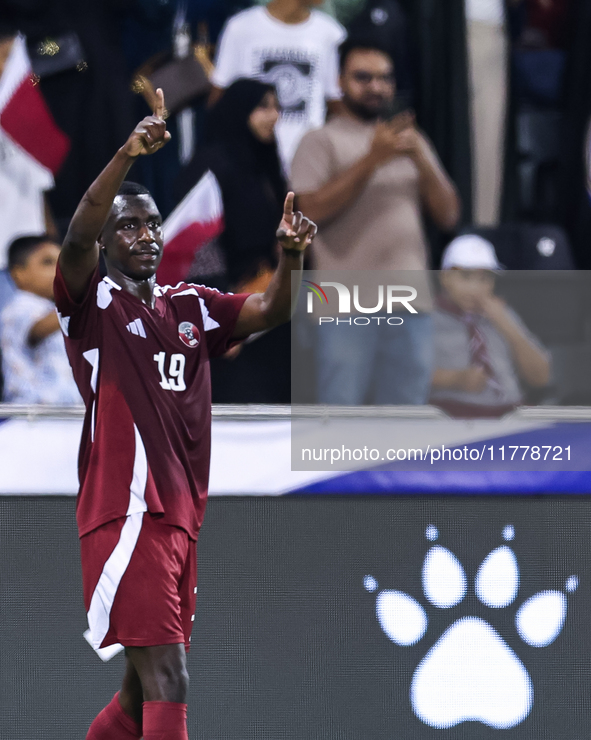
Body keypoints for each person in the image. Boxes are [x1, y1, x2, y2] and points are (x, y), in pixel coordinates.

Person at [53, 89, 316, 740]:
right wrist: (126, 153)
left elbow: (270, 311)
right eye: (128, 226)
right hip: (128, 511)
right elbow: (78, 231)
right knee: (171, 679)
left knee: (142, 697)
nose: (144, 235)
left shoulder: (191, 304)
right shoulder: (91, 306)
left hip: (179, 521)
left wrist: (291, 260)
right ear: (109, 242)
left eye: (150, 223)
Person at [291, 38, 460, 405]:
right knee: (340, 426)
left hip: (412, 304)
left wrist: (421, 157)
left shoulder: (410, 141)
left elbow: (449, 215)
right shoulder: (319, 141)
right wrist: (372, 159)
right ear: (340, 81)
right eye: (363, 77)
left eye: (384, 78)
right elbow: (308, 212)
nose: (376, 87)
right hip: (344, 308)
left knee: (407, 433)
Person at [177, 77, 292, 403]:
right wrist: (225, 318)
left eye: (276, 107)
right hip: (228, 311)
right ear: (238, 111)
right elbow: (197, 243)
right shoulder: (210, 164)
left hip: (270, 305)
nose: (273, 116)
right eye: (262, 107)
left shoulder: (266, 165)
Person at [209, 0, 346, 169]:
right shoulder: (240, 28)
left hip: (307, 163)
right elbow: (218, 101)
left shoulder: (331, 34)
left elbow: (337, 105)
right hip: (250, 163)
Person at [430, 234, 551, 418]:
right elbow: (400, 374)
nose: (475, 288)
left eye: (484, 279)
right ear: (445, 277)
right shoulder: (427, 319)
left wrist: (505, 324)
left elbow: (541, 378)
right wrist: (454, 379)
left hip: (511, 414)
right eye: (466, 277)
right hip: (450, 416)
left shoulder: (502, 313)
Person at [0, 234, 80, 404]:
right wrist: (81, 301)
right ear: (18, 273)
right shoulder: (18, 307)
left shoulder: (53, 309)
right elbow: (38, 329)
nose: (59, 270)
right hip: (30, 417)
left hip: (64, 416)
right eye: (48, 262)